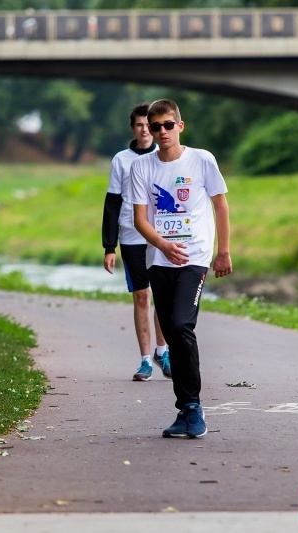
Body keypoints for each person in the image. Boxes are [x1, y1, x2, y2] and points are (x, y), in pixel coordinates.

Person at [131, 99, 232, 439]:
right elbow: (140, 219)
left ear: (180, 126)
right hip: (159, 260)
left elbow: (220, 205)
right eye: (155, 126)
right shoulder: (141, 167)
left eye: (167, 125)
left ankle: (194, 407)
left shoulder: (202, 160)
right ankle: (185, 408)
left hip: (195, 259)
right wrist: (162, 245)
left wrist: (224, 252)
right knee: (173, 335)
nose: (161, 132)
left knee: (179, 324)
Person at [102, 103, 170, 382]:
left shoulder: (165, 155)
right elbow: (112, 203)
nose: (145, 130)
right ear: (133, 128)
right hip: (131, 236)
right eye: (140, 125)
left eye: (149, 125)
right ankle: (145, 360)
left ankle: (162, 351)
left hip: (161, 236)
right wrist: (109, 246)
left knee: (163, 297)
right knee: (142, 296)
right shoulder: (121, 160)